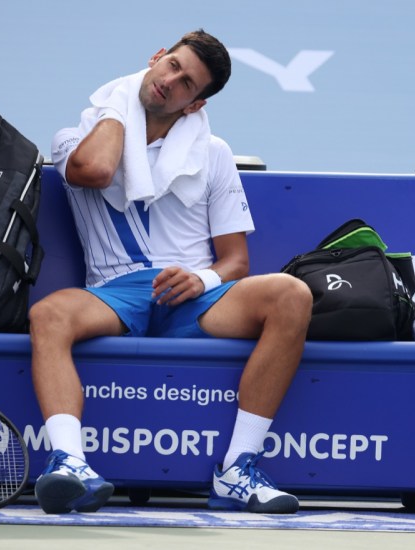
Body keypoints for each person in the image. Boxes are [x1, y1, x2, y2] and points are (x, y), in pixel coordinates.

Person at [28, 29, 312, 515]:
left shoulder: (214, 153)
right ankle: (70, 464)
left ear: (195, 106)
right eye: (172, 66)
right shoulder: (77, 137)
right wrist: (123, 102)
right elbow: (95, 171)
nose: (171, 81)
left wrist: (202, 279)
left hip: (196, 298)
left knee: (292, 294)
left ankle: (236, 470)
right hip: (112, 294)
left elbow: (236, 261)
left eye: (187, 84)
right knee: (49, 315)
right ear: (155, 58)